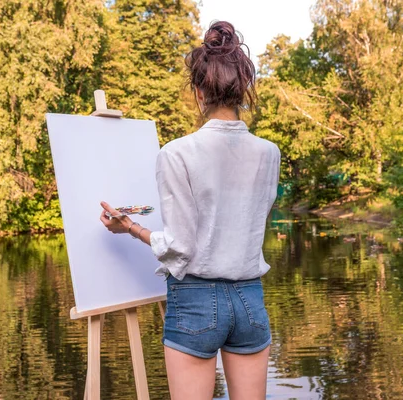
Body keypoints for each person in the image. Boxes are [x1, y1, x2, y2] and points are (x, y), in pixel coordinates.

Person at [99, 21, 280, 400]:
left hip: (196, 299)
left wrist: (130, 227)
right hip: (250, 297)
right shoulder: (269, 153)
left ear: (199, 93)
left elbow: (180, 246)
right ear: (241, 90)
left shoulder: (176, 153)